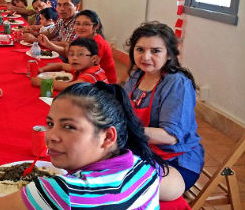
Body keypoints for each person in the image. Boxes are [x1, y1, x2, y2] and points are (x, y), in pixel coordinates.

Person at [0, 82, 166, 210]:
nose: (51, 136)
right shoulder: (145, 168)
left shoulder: (65, 194)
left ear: (107, 137)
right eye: (50, 123)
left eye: (68, 127)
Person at [124, 21, 204, 200]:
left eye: (155, 51)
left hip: (176, 161)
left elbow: (170, 136)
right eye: (140, 49)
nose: (145, 57)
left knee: (128, 189)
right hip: (142, 152)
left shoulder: (176, 83)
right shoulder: (137, 75)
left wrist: (125, 130)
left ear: (169, 54)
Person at [38, 10, 118, 83]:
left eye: (86, 24)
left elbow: (83, 70)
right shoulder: (83, 37)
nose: (80, 27)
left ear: (96, 26)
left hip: (103, 86)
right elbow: (68, 49)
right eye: (77, 23)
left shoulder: (98, 43)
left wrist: (49, 45)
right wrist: (48, 44)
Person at [31, 38, 108, 91]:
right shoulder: (81, 66)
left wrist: (42, 82)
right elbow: (61, 65)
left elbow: (70, 87)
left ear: (94, 59)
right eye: (71, 54)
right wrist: (42, 70)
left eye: (80, 54)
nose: (74, 58)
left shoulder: (92, 75)